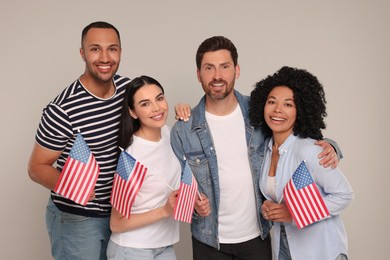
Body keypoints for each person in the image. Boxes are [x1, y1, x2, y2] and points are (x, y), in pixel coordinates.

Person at [170, 36, 342, 260]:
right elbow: (175, 182)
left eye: (225, 66)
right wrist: (191, 201)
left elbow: (298, 135)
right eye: (209, 68)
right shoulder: (184, 129)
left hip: (257, 237)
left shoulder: (260, 111)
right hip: (208, 239)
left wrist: (332, 147)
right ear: (198, 74)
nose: (217, 76)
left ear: (237, 70)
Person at [27, 21, 131, 260]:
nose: (105, 57)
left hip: (119, 214)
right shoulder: (62, 108)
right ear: (82, 53)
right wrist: (74, 188)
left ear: (120, 52)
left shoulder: (129, 91)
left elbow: (153, 119)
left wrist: (182, 110)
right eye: (95, 49)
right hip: (77, 219)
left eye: (112, 49)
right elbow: (36, 168)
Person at [249, 66, 353, 260]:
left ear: (301, 111)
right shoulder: (265, 149)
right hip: (284, 248)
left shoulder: (308, 150)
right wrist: (268, 207)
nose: (277, 110)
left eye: (288, 104)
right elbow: (278, 194)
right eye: (272, 102)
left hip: (321, 250)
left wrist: (295, 214)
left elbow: (344, 195)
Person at [107, 76, 180, 260]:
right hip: (132, 249)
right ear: (133, 112)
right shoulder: (131, 157)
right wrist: (164, 211)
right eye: (145, 104)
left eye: (159, 98)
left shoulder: (169, 133)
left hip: (163, 245)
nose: (156, 108)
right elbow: (116, 223)